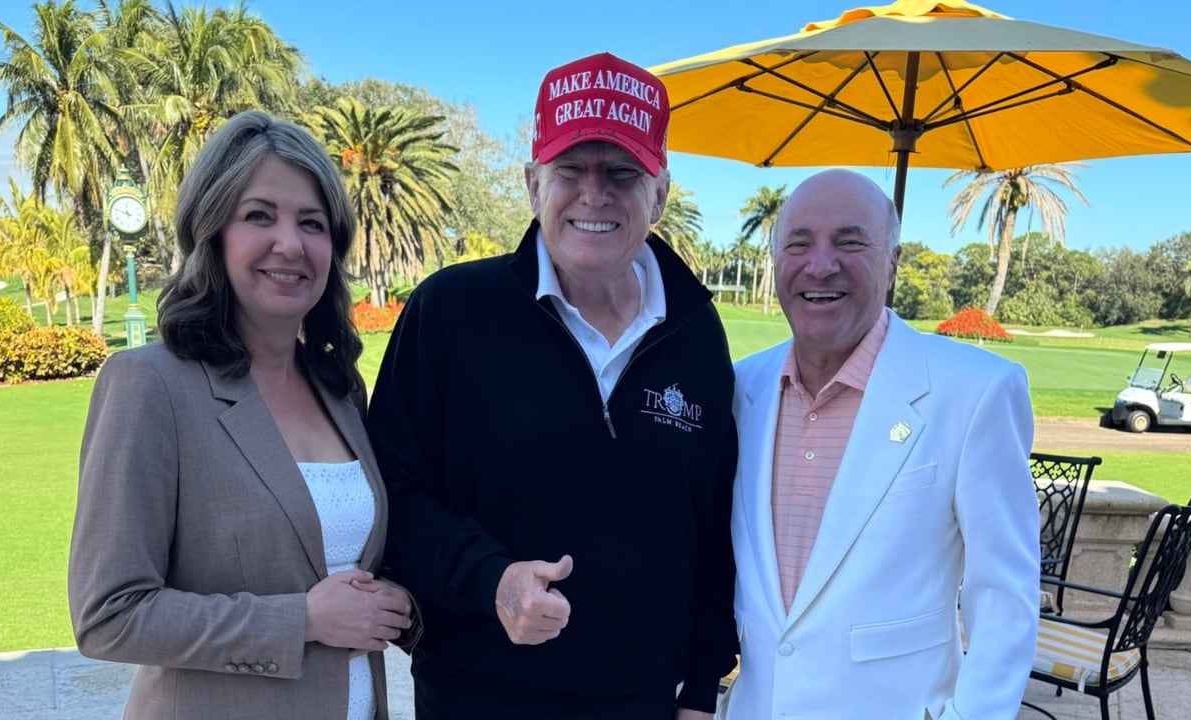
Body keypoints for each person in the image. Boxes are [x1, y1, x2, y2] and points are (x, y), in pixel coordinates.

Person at [365, 52, 738, 720]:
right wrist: (491, 580)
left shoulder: (696, 332)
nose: (594, 193)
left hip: (643, 700)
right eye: (571, 169)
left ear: (660, 192)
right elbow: (391, 492)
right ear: (534, 184)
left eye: (622, 173)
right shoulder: (450, 312)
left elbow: (713, 526)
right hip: (475, 693)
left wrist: (704, 687)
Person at [68, 110, 416, 720]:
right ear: (212, 231)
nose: (291, 243)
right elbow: (109, 615)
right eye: (259, 216)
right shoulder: (149, 386)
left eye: (312, 223)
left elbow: (351, 564)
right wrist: (302, 620)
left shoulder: (339, 390)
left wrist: (397, 601)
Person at [721, 169, 1039, 719]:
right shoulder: (738, 388)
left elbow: (1004, 598)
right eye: (798, 243)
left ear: (892, 263)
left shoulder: (977, 391)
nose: (820, 264)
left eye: (850, 242)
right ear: (777, 263)